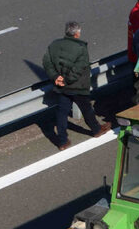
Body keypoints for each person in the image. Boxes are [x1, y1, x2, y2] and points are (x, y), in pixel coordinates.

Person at [43, 22, 111, 151]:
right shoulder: (81, 47)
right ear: (77, 33)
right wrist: (68, 80)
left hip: (62, 87)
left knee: (62, 112)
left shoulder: (54, 45)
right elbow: (79, 68)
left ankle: (62, 141)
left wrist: (56, 77)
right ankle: (96, 130)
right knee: (87, 109)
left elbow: (47, 62)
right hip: (77, 86)